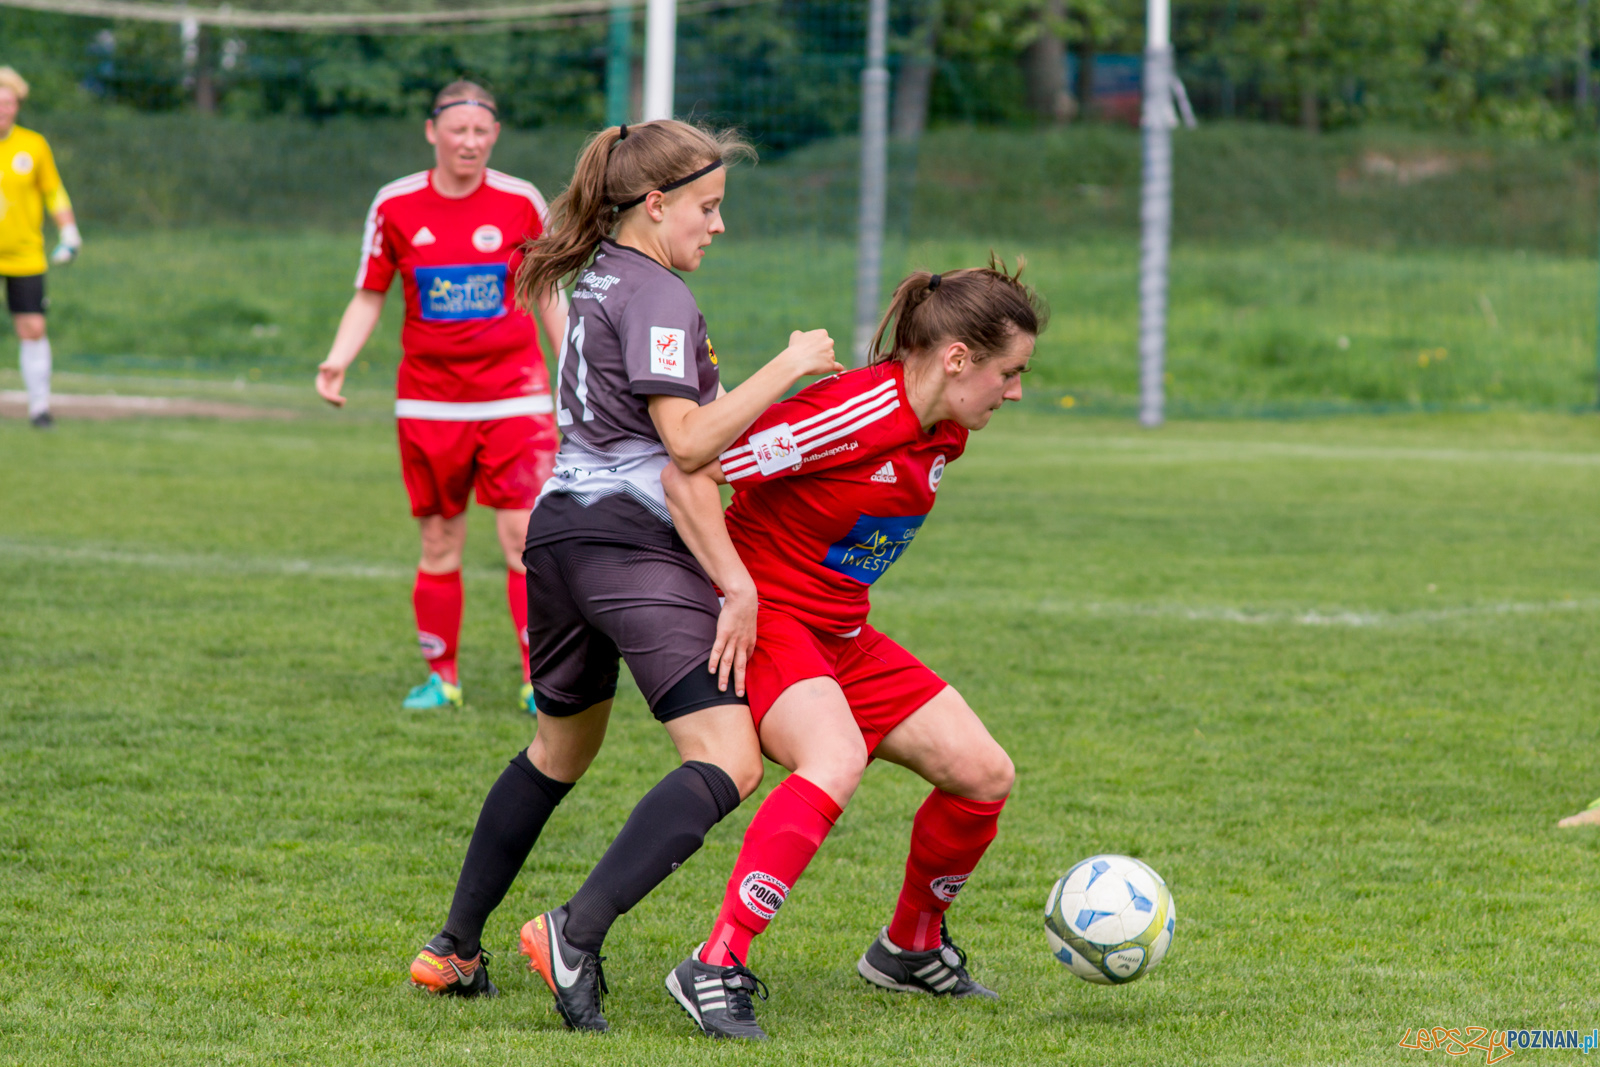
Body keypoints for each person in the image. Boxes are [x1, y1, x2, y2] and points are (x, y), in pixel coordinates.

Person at [404, 119, 841, 1027]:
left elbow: (685, 434)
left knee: (558, 751)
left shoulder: (599, 272)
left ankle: (453, 947)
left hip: (560, 537)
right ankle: (576, 929)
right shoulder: (657, 295)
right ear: (656, 203)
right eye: (708, 208)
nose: (717, 227)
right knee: (729, 756)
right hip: (627, 547)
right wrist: (791, 367)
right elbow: (684, 446)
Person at [656, 261, 1047, 1040]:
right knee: (834, 760)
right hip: (766, 624)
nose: (1017, 390)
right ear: (957, 359)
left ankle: (909, 946)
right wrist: (733, 589)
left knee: (983, 773)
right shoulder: (850, 413)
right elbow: (692, 469)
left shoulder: (946, 429)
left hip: (842, 634)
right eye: (1011, 372)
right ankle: (715, 961)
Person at [316, 81, 566, 712]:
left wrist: (576, 370)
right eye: (458, 130)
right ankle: (442, 678)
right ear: (433, 131)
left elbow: (546, 293)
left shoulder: (519, 201)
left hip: (515, 397)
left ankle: (539, 681)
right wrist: (337, 360)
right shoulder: (395, 205)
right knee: (438, 541)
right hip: (429, 404)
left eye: (482, 132)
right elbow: (371, 291)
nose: (470, 142)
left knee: (523, 538)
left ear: (495, 135)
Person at [0, 66, 81, 430]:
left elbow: (53, 191)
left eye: (8, 103)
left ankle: (39, 409)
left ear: (17, 106)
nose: (2, 109)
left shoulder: (33, 146)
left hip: (24, 254)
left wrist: (70, 232)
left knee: (32, 327)